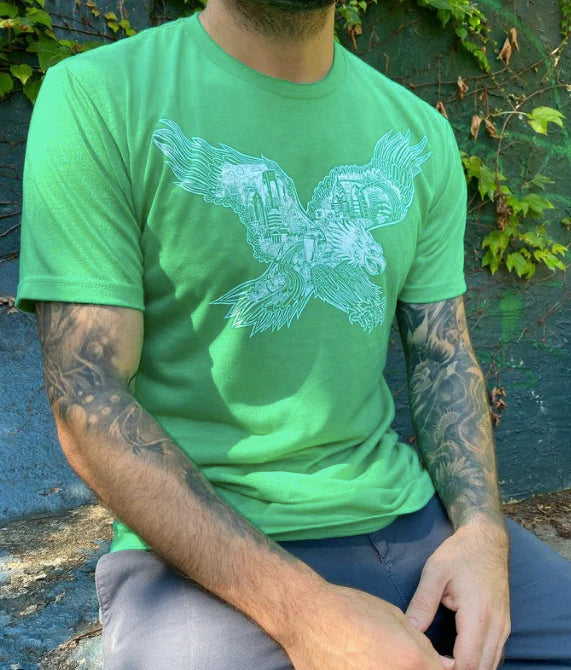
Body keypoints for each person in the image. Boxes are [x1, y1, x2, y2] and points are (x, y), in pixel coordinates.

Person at [15, 0, 571, 667]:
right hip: (202, 551)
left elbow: (442, 356)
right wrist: (306, 613)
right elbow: (87, 392)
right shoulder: (99, 95)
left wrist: (482, 534)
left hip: (410, 519)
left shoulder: (415, 128)